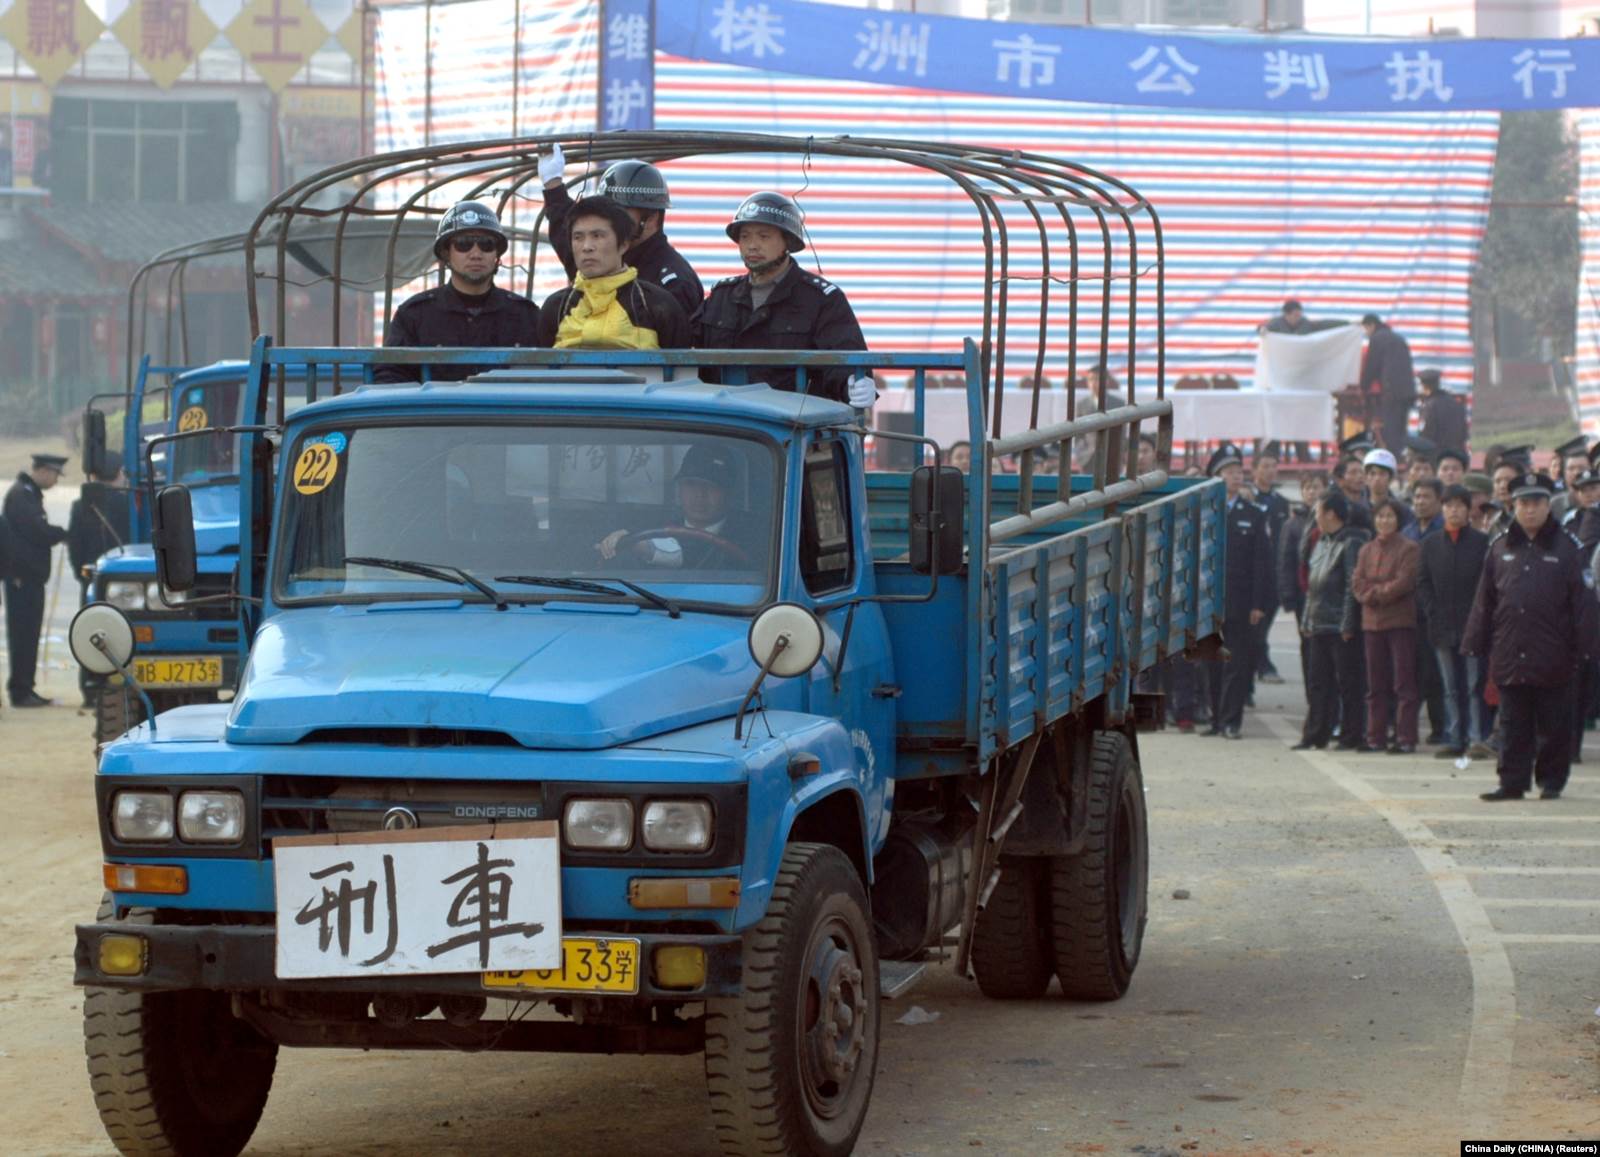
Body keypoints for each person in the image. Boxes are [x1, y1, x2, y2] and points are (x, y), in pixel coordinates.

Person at [1463, 472, 1597, 800]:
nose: (1530, 510)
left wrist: (1587, 650)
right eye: (1523, 503)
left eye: (1536, 502)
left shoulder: (1569, 549)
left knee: (1554, 724)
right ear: (1514, 505)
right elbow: (1485, 600)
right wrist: (1475, 641)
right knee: (1512, 723)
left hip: (1556, 654)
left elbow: (1584, 605)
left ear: (1547, 505)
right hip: (1510, 650)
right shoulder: (1500, 548)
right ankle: (1511, 781)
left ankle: (1551, 781)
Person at [694, 191, 875, 408]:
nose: (752, 245)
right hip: (729, 426)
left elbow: (845, 361)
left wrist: (853, 383)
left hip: (792, 430)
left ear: (787, 241)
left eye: (764, 236)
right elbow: (687, 350)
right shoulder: (722, 296)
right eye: (745, 236)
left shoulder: (822, 300)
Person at [374, 200, 540, 384]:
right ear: (446, 253)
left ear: (496, 255)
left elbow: (547, 375)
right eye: (463, 244)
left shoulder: (525, 315)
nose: (476, 254)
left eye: (486, 244)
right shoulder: (415, 315)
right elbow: (389, 376)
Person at [538, 148, 705, 318]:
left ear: (652, 219)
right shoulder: (604, 256)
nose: (588, 246)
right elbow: (568, 235)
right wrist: (553, 185)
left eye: (619, 213)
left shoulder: (674, 283)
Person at [535, 196, 691, 350]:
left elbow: (682, 370)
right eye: (578, 237)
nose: (587, 247)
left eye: (597, 236)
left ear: (623, 244)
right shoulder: (555, 308)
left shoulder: (658, 306)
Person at [1204, 443, 1274, 739]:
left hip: (1241, 603)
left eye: (1238, 472)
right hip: (1209, 605)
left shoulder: (1253, 514)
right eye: (1229, 472)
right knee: (1210, 665)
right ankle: (1216, 720)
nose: (1236, 476)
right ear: (1217, 477)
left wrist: (1259, 603)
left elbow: (1262, 563)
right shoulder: (1206, 513)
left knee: (1235, 662)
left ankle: (1232, 721)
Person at [595, 445, 762, 569]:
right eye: (691, 484)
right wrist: (620, 540)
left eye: (711, 486)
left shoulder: (753, 535)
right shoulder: (656, 526)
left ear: (729, 492)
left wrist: (646, 549)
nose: (699, 495)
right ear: (679, 489)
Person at [1293, 490, 1370, 751]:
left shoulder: (1351, 543)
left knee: (1348, 683)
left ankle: (1351, 734)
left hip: (1340, 627)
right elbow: (1313, 586)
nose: (1315, 516)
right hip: (1318, 623)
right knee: (1318, 683)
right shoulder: (1322, 542)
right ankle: (1315, 734)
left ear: (1331, 514)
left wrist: (1348, 623)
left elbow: (1351, 587)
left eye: (1319, 511)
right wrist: (1306, 619)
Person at [1418, 484, 1490, 759]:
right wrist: (1431, 611)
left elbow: (1487, 584)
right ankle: (1454, 736)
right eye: (1449, 505)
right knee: (1450, 686)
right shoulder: (1430, 544)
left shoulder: (1481, 543)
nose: (1454, 510)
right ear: (1442, 508)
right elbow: (1422, 583)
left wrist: (1479, 615)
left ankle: (1475, 738)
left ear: (1468, 510)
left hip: (1473, 625)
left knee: (1473, 685)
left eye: (1460, 505)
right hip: (1441, 625)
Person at [1353, 497, 1423, 753]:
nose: (1384, 521)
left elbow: (1404, 582)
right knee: (1375, 684)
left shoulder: (1409, 548)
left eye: (1389, 516)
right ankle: (1375, 737)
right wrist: (1370, 594)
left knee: (1403, 683)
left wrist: (1375, 594)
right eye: (1380, 516)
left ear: (1398, 519)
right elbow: (1357, 582)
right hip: (1371, 624)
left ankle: (1405, 737)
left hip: (1400, 622)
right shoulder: (1366, 549)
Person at [4, 453, 69, 707]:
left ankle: (26, 686)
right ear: (42, 471)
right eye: (54, 475)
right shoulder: (21, 496)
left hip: (31, 577)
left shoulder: (29, 494)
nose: (54, 481)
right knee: (22, 634)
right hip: (22, 578)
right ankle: (20, 690)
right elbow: (37, 532)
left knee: (30, 634)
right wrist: (62, 534)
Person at [66, 452, 129, 707]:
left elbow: (74, 545)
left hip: (91, 577)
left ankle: (90, 687)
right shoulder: (126, 503)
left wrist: (81, 574)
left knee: (89, 630)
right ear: (117, 474)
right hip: (125, 581)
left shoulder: (80, 505)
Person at [1279, 471, 1326, 691]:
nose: (1312, 492)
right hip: (1303, 596)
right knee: (1308, 647)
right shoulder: (1294, 524)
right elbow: (1286, 561)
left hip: (1327, 595)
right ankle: (1312, 694)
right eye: (1308, 488)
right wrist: (1288, 594)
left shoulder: (1333, 519)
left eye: (1317, 487)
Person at [1249, 443, 1289, 684]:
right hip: (1253, 571)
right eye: (1265, 466)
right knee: (1254, 625)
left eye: (1274, 466)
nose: (1270, 471)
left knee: (1264, 623)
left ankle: (1260, 664)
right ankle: (1263, 665)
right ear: (1254, 469)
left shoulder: (1280, 502)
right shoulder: (1248, 497)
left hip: (1275, 570)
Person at [1360, 313, 1415, 451]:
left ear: (1371, 325)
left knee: (1391, 429)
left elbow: (1372, 366)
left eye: (1366, 330)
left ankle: (1392, 460)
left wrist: (1363, 386)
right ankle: (1400, 457)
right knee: (1401, 429)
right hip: (1407, 391)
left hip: (1392, 392)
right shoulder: (1397, 338)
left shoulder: (1377, 339)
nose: (1366, 334)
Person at [1416, 369, 1468, 456]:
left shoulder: (1429, 406)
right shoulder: (1456, 403)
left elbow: (1425, 435)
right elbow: (1464, 433)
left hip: (1437, 455)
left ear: (1424, 386)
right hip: (1457, 454)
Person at [1362, 448, 1413, 530]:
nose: (1377, 478)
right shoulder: (1357, 509)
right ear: (1365, 477)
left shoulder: (1403, 511)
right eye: (1372, 474)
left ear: (1391, 478)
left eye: (1382, 474)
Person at [1549, 435, 1590, 523]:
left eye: (1581, 468)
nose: (1576, 473)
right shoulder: (1555, 505)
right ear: (1564, 472)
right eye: (1571, 469)